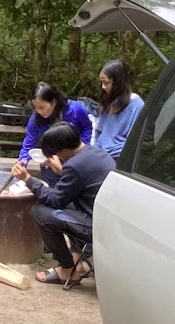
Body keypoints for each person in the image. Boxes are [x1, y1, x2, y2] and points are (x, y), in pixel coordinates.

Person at [10, 122, 112, 284]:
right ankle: (78, 256)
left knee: (41, 212)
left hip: (98, 227)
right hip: (109, 220)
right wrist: (62, 169)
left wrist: (27, 179)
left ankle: (68, 270)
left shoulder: (75, 165)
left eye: (56, 153)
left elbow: (56, 200)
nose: (55, 157)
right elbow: (76, 185)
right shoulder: (95, 152)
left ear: (65, 150)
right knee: (64, 206)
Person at [18, 80, 92, 162]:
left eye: (42, 107)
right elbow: (29, 144)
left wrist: (82, 147)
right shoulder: (36, 118)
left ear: (54, 101)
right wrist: (22, 161)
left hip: (76, 154)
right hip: (52, 158)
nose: (39, 111)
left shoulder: (75, 110)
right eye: (35, 107)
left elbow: (87, 128)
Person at [91, 58, 144, 159]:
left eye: (106, 83)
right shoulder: (108, 100)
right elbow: (99, 132)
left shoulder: (136, 105)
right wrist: (94, 152)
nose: (103, 87)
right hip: (100, 154)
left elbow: (134, 140)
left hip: (118, 156)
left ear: (118, 83)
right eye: (101, 83)